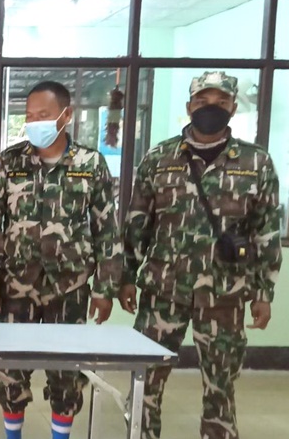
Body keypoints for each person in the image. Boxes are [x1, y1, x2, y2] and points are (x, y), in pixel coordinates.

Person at [121, 71, 281, 439]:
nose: (212, 108)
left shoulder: (256, 162)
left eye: (221, 102)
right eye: (203, 101)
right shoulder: (159, 157)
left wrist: (263, 292)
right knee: (145, 382)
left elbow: (267, 232)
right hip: (163, 291)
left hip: (226, 294)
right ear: (189, 106)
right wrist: (127, 276)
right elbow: (137, 223)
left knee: (221, 388)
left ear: (234, 108)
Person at [0, 81, 122, 439]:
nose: (34, 122)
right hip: (16, 285)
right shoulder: (9, 162)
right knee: (10, 370)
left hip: (70, 287)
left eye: (43, 115)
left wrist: (105, 288)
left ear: (66, 115)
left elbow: (107, 229)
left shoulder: (91, 164)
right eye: (29, 116)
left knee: (66, 373)